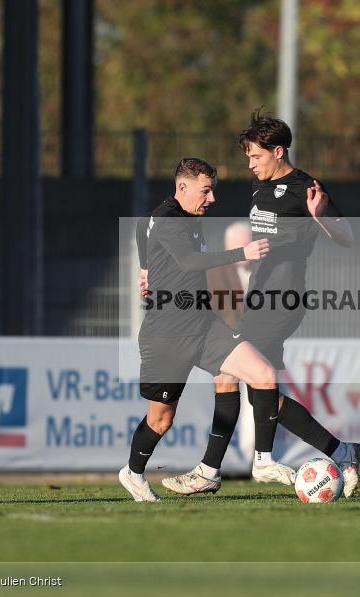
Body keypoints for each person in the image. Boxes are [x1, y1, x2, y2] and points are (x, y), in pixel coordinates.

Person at [161, 110, 360, 498]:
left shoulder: (306, 187)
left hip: (284, 298)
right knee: (257, 386)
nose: (250, 164)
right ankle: (342, 451)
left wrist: (322, 217)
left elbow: (348, 237)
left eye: (256, 156)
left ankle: (233, 465)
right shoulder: (258, 188)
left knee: (234, 371)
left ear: (278, 150)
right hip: (258, 298)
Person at [119, 157, 280, 503]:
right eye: (206, 191)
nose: (212, 199)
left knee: (261, 372)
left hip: (204, 325)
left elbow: (140, 229)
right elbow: (190, 261)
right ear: (182, 187)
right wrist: (242, 252)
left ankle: (258, 462)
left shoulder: (185, 216)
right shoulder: (168, 220)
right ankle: (132, 473)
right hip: (167, 334)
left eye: (212, 191)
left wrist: (146, 268)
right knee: (161, 421)